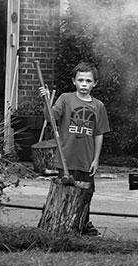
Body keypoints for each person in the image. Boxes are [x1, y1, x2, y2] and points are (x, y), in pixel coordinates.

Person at [39, 61, 111, 235]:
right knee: (64, 192)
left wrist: (96, 159)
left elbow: (99, 133)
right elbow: (50, 118)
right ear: (74, 81)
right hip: (66, 158)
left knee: (86, 193)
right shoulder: (66, 99)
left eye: (88, 81)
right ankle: (61, 222)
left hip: (86, 160)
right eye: (80, 80)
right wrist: (46, 100)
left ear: (95, 83)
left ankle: (83, 223)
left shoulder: (98, 106)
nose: (84, 84)